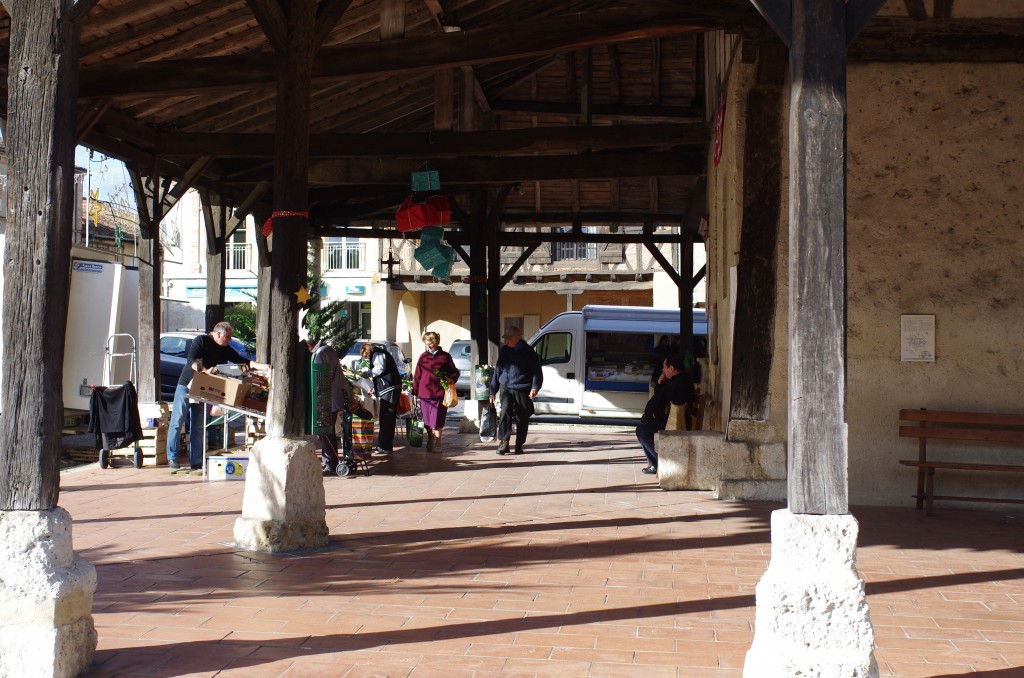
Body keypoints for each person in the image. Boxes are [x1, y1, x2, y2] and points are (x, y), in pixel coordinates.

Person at [167, 322, 270, 472]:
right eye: (227, 336)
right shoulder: (201, 341)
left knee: (198, 425)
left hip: (202, 390)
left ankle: (196, 460)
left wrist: (262, 366)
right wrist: (207, 370)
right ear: (218, 334)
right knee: (178, 420)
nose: (229, 339)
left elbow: (242, 361)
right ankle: (172, 457)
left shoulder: (225, 348)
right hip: (187, 385)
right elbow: (192, 361)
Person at [636, 353, 694, 475]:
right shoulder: (675, 380)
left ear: (671, 368)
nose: (663, 370)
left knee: (642, 431)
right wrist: (661, 384)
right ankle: (654, 463)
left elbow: (664, 398)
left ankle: (660, 462)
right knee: (643, 428)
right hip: (667, 419)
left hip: (674, 422)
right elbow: (662, 396)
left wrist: (661, 385)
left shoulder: (680, 382)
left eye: (664, 367)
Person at [489, 326, 543, 455]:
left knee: (522, 417)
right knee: (504, 414)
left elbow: (536, 371)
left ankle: (519, 444)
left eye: (509, 338)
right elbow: (498, 370)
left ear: (518, 338)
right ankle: (504, 443)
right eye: (506, 338)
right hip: (505, 386)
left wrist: (535, 387)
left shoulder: (529, 352)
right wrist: (492, 391)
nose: (506, 341)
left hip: (522, 388)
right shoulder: (505, 351)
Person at [307, 335, 352, 475]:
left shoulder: (320, 354)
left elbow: (321, 379)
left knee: (325, 431)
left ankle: (330, 462)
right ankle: (331, 460)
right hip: (335, 395)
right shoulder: (328, 350)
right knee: (328, 430)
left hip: (328, 398)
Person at [411, 331, 460, 453]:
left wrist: (451, 379)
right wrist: (414, 391)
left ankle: (438, 443)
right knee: (427, 421)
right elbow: (417, 375)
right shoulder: (423, 357)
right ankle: (430, 439)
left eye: (431, 342)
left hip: (439, 393)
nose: (429, 345)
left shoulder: (445, 356)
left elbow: (455, 372)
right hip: (424, 393)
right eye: (427, 343)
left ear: (436, 342)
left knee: (438, 419)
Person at [360, 342, 402, 453]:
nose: (367, 358)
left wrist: (367, 373)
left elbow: (379, 369)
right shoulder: (379, 353)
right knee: (386, 416)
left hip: (390, 387)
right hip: (389, 387)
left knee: (387, 416)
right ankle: (384, 445)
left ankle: (385, 446)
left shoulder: (377, 353)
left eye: (366, 356)